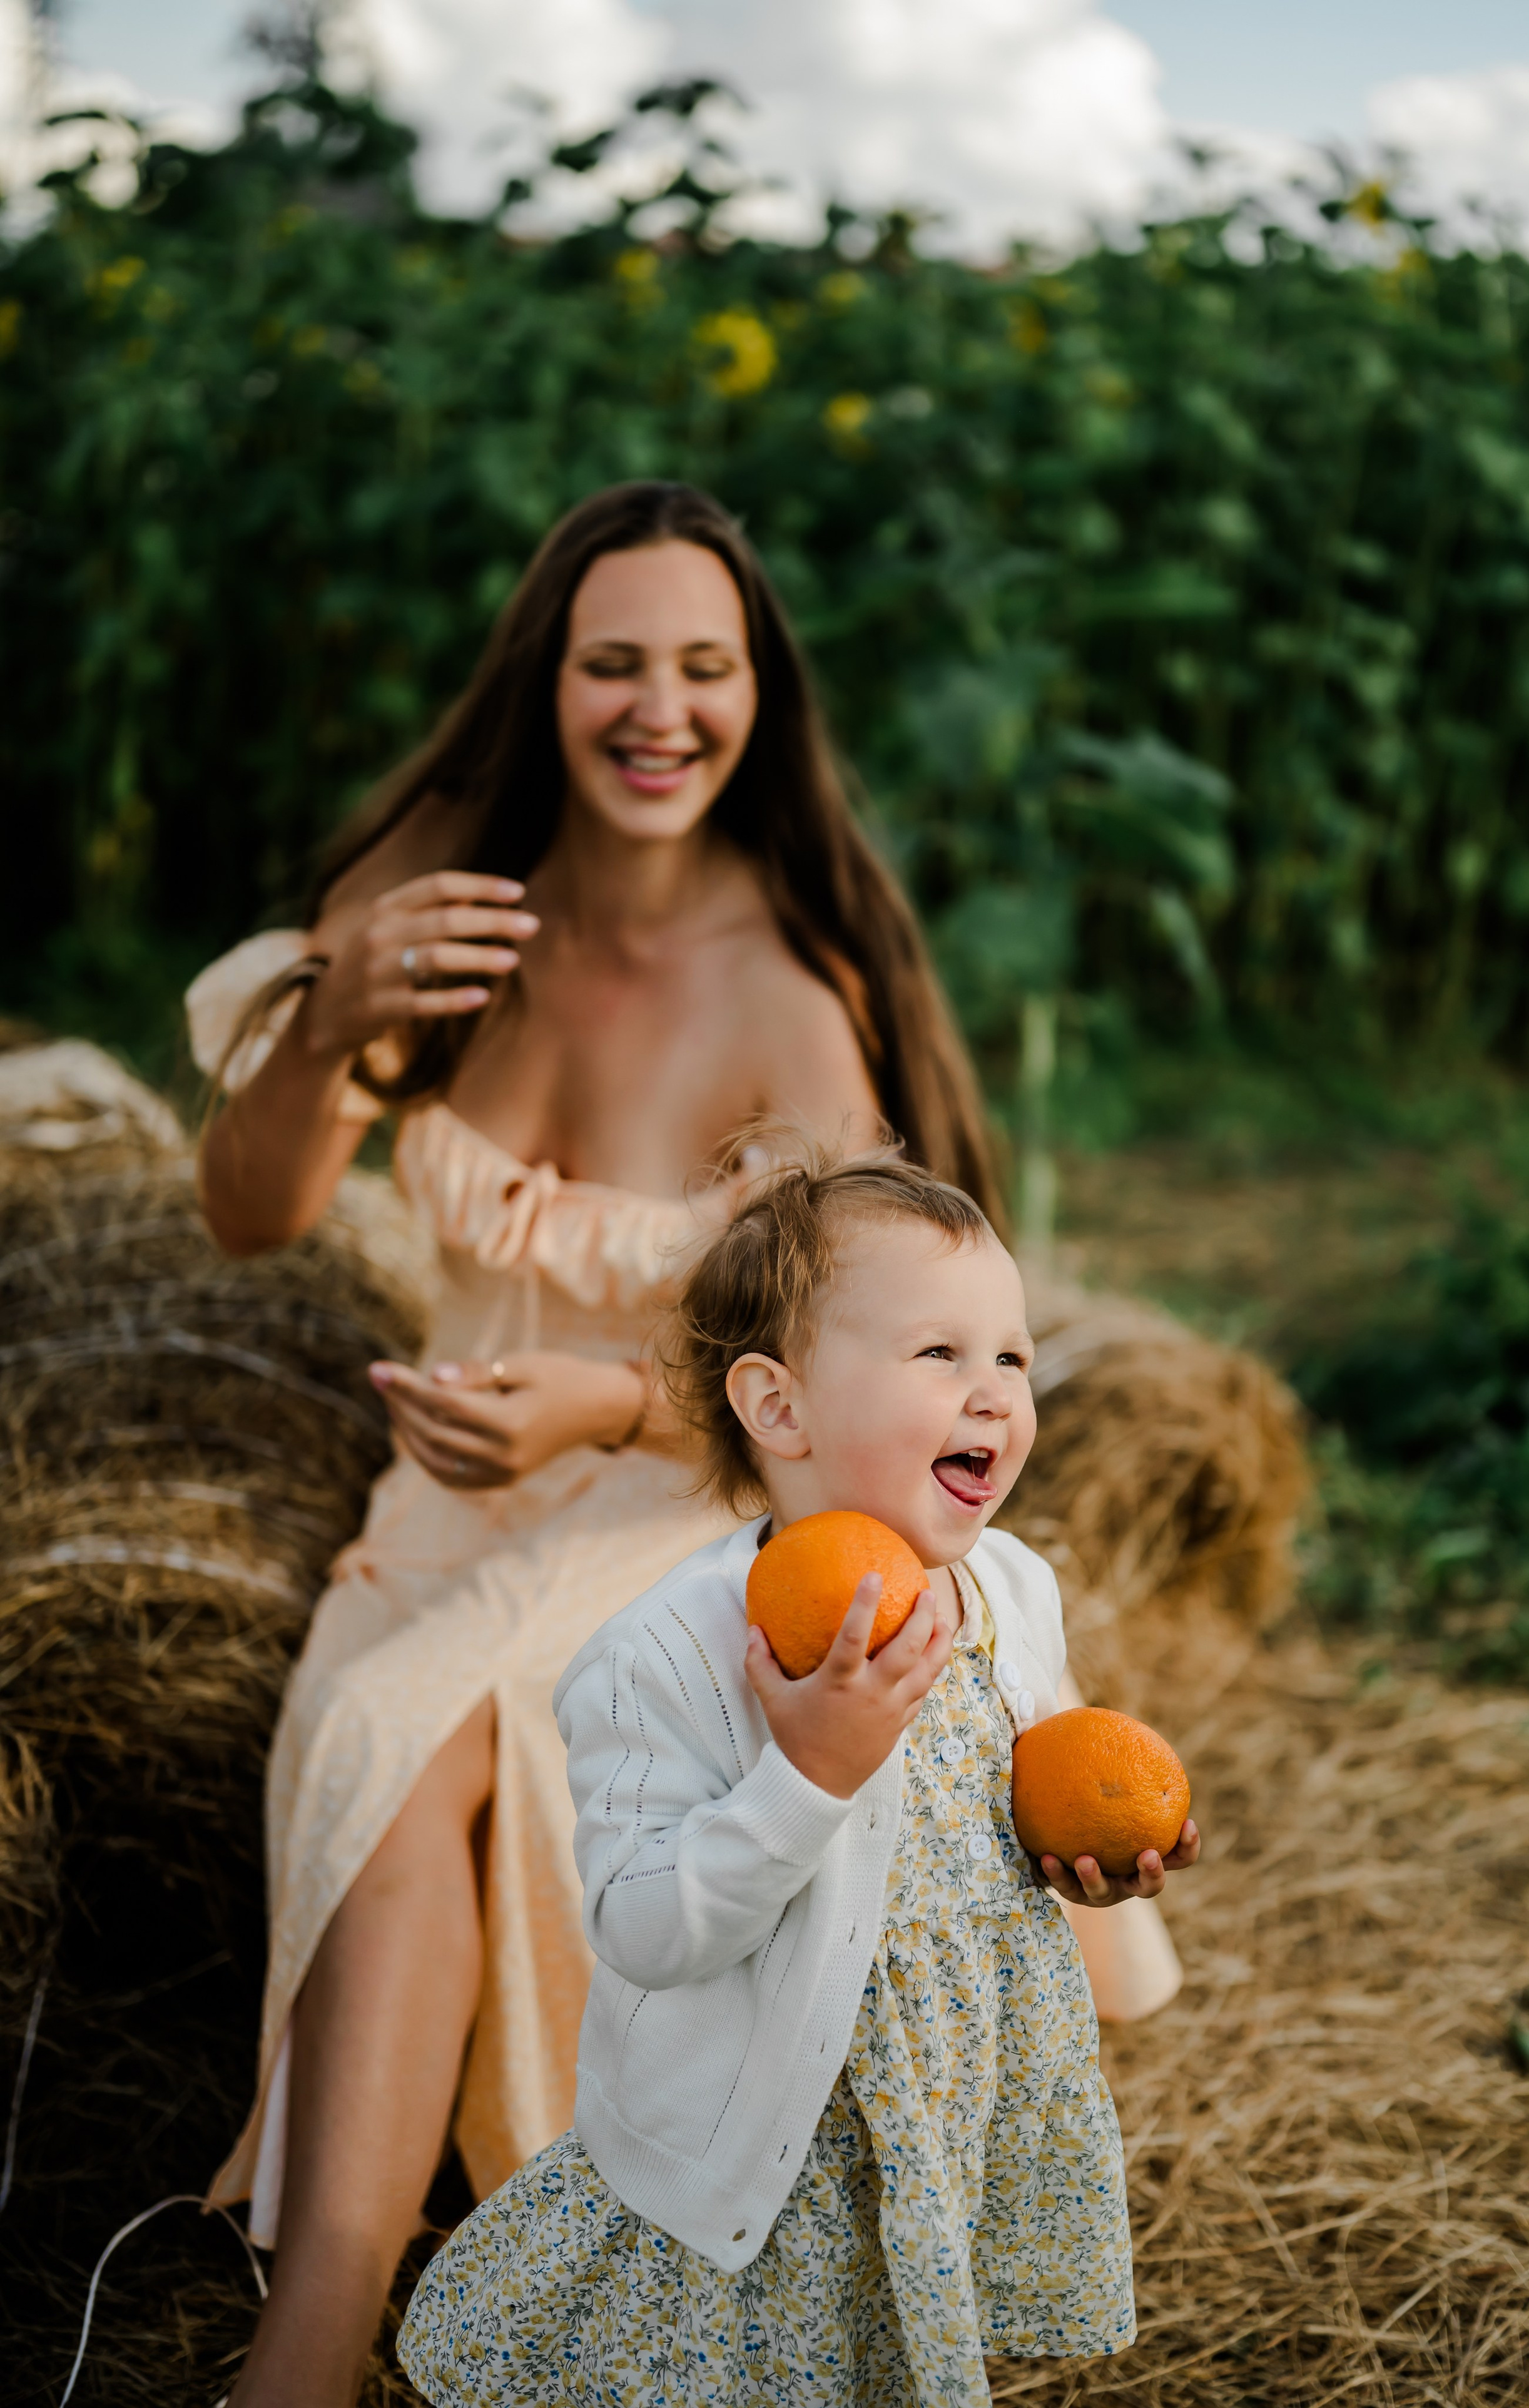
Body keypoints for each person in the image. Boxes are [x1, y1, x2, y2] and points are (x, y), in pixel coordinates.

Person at [187, 481, 1178, 2408]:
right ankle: (336, 2309)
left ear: (759, 696)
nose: (661, 709)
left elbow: (861, 1362)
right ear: (544, 678)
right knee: (385, 1729)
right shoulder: (444, 895)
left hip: (696, 1504)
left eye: (707, 667)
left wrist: (604, 1401)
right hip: (439, 1523)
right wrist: (323, 1029)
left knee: (434, 1727)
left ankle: (307, 2345)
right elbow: (248, 1214)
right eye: (614, 662)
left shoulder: (793, 995)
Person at [398, 1147, 1199, 2408]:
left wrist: (1078, 1860)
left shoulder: (1009, 1590)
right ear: (779, 1408)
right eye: (939, 1353)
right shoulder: (665, 1656)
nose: (994, 1393)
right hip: (764, 2169)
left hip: (935, 2122)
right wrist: (808, 1773)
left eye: (1012, 1356)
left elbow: (1005, 1807)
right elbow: (641, 1927)